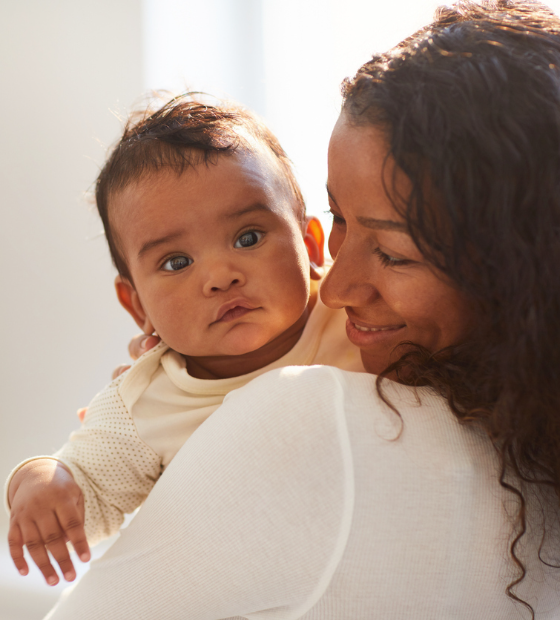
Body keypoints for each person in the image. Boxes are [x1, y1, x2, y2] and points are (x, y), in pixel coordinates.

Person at [44, 0, 560, 617]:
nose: (334, 288)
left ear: (520, 271)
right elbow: (92, 483)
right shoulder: (526, 435)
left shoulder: (305, 416)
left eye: (393, 253)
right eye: (339, 219)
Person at [5, 96, 364, 586]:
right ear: (138, 307)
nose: (219, 276)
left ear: (311, 245)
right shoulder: (145, 400)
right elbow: (90, 493)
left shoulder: (355, 315)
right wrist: (40, 480)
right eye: (176, 262)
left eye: (248, 237)